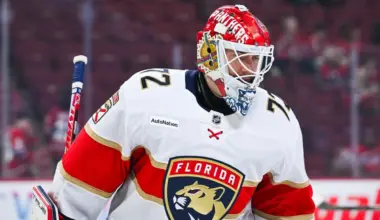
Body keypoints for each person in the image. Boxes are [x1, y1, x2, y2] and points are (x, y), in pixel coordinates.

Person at [33, 4, 315, 220]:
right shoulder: (146, 96)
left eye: (256, 59)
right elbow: (78, 190)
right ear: (210, 53)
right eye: (238, 57)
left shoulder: (279, 122)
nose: (250, 70)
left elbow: (289, 212)